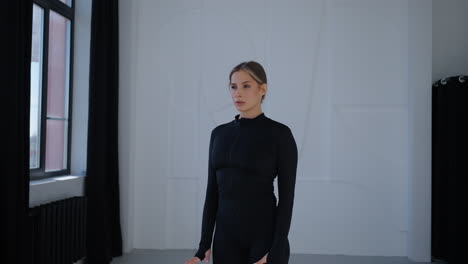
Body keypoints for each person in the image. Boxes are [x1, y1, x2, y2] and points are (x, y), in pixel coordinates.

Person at [184, 61, 298, 264]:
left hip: (264, 238)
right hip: (226, 238)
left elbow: (287, 198)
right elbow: (212, 193)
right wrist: (203, 246)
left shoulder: (280, 135)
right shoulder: (219, 134)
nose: (238, 93)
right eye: (233, 86)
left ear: (263, 89)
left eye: (246, 86)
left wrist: (277, 248)